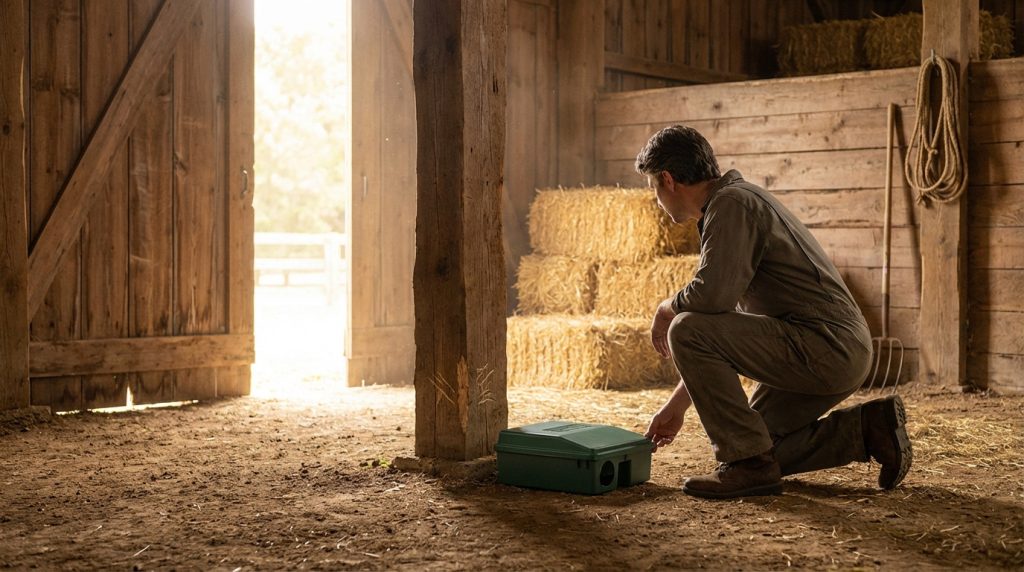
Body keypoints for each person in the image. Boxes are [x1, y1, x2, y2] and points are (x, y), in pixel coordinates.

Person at [636, 125, 912, 499]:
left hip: (825, 346)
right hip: (833, 347)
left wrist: (666, 307)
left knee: (683, 327)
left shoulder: (731, 205)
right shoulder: (737, 201)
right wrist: (676, 407)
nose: (657, 200)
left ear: (668, 180)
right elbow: (719, 332)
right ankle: (869, 429)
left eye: (654, 188)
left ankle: (748, 467)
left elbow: (708, 302)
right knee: (758, 441)